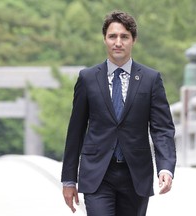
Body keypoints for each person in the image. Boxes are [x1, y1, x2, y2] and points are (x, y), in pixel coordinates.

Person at [61, 10, 176, 216]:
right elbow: (76, 131)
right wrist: (69, 179)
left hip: (135, 175)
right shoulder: (87, 78)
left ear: (133, 40)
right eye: (112, 36)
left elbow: (162, 128)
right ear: (105, 39)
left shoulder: (151, 79)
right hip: (97, 174)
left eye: (124, 37)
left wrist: (165, 168)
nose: (118, 42)